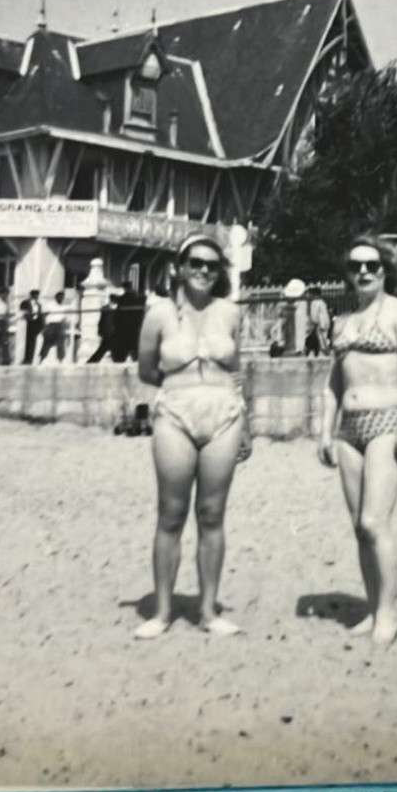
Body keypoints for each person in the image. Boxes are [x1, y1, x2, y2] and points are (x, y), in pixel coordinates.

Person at [135, 233, 248, 640]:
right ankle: (162, 612)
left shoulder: (230, 313)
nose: (203, 270)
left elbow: (237, 368)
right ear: (179, 268)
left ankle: (207, 610)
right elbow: (147, 369)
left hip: (224, 412)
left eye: (212, 265)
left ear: (220, 272)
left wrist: (244, 419)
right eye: (195, 263)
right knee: (171, 513)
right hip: (176, 411)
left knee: (213, 514)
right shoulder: (159, 314)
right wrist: (179, 388)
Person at [318, 235, 397, 647]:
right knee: (358, 529)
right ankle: (371, 606)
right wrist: (325, 431)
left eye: (372, 266)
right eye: (355, 266)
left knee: (373, 521)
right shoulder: (343, 323)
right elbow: (332, 382)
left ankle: (389, 612)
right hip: (349, 429)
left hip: (387, 421)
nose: (363, 272)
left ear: (385, 271)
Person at [20, 289, 46, 365]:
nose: (36, 297)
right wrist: (29, 316)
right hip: (27, 323)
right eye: (35, 295)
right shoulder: (25, 303)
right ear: (31, 295)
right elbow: (22, 312)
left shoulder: (39, 304)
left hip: (35, 325)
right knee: (26, 342)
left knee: (33, 342)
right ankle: (25, 359)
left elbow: (40, 315)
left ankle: (30, 359)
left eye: (37, 295)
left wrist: (42, 325)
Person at [42, 292, 69, 364]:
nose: (61, 299)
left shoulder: (63, 307)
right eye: (60, 297)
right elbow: (44, 316)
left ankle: (61, 360)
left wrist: (65, 327)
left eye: (62, 297)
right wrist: (44, 326)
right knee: (47, 343)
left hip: (60, 326)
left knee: (61, 344)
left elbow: (64, 318)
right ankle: (41, 359)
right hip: (51, 325)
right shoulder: (50, 305)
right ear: (56, 297)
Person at [305, 287, 332, 356]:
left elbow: (313, 317)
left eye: (309, 293)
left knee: (319, 344)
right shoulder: (322, 302)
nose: (308, 295)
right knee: (323, 343)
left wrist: (309, 324)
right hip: (324, 325)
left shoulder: (315, 302)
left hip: (317, 326)